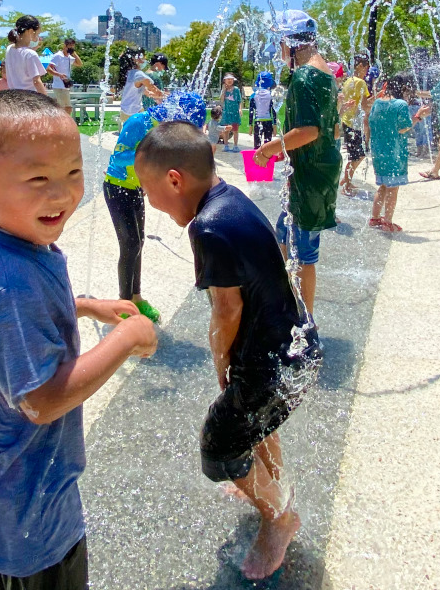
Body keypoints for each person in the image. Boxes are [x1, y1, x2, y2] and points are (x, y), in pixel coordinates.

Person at [0, 91, 157, 590]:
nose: (62, 195)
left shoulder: (20, 244)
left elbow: (39, 309)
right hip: (23, 511)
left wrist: (87, 305)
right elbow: (41, 401)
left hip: (20, 484)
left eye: (73, 173)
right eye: (38, 178)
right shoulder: (10, 282)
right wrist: (126, 338)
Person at [135, 121, 321, 582]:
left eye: (148, 190)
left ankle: (279, 517)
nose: (150, 202)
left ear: (174, 179)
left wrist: (223, 368)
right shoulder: (230, 198)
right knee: (253, 421)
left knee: (219, 450)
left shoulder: (209, 226)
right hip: (297, 346)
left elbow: (226, 309)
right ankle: (274, 489)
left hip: (271, 362)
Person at [253, 11, 339, 313]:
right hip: (318, 169)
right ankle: (288, 302)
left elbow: (308, 131)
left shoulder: (305, 76)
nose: (279, 51)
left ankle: (306, 322)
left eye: (280, 43)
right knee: (284, 234)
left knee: (303, 255)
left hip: (310, 176)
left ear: (290, 42)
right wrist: (286, 149)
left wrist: (268, 149)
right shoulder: (325, 71)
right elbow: (332, 129)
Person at [102, 91, 207, 325]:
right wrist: (153, 158)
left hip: (137, 190)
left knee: (138, 242)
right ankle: (123, 303)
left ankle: (136, 297)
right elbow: (118, 158)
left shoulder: (168, 131)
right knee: (129, 243)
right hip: (117, 188)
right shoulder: (139, 122)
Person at [367, 75, 413, 232]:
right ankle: (387, 222)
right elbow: (404, 127)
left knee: (383, 186)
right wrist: (419, 116)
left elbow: (370, 123)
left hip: (378, 151)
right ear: (403, 88)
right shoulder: (401, 104)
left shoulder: (377, 103)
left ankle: (374, 219)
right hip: (394, 152)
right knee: (393, 188)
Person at [337, 55, 371, 197]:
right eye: (366, 67)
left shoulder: (348, 81)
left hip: (347, 120)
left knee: (356, 154)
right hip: (354, 123)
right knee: (357, 156)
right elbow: (365, 106)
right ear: (361, 66)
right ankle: (346, 183)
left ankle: (347, 180)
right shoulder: (361, 83)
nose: (367, 71)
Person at [3, 15, 50, 95]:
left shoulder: (9, 49)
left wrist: (33, 49)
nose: (37, 37)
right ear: (31, 31)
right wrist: (48, 102)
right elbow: (36, 81)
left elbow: (20, 57)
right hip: (29, 99)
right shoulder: (30, 54)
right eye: (37, 34)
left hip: (14, 97)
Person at [116, 48, 163, 119]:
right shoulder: (139, 75)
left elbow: (146, 92)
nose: (144, 60)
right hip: (135, 115)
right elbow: (157, 93)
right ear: (134, 59)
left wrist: (155, 95)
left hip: (124, 113)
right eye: (142, 57)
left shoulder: (128, 74)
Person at [47, 38, 83, 114]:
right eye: (69, 46)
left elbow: (79, 64)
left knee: (67, 108)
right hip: (59, 85)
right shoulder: (57, 56)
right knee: (65, 108)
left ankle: (63, 124)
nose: (71, 48)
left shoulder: (69, 57)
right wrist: (59, 74)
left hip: (66, 85)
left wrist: (74, 54)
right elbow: (49, 68)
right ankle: (63, 124)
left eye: (72, 46)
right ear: (64, 46)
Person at [250, 72, 277, 149]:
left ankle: (257, 160)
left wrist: (250, 125)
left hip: (257, 121)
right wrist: (274, 125)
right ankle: (267, 160)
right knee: (268, 146)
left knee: (256, 145)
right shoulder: (271, 95)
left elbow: (251, 112)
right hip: (268, 122)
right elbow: (274, 111)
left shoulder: (254, 95)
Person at [219, 74, 243, 151]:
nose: (229, 81)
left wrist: (240, 109)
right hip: (226, 112)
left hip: (235, 112)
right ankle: (226, 145)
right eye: (228, 79)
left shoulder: (236, 89)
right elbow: (222, 100)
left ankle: (235, 146)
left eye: (231, 79)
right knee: (226, 130)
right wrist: (223, 90)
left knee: (235, 130)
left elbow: (239, 101)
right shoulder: (224, 90)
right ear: (225, 81)